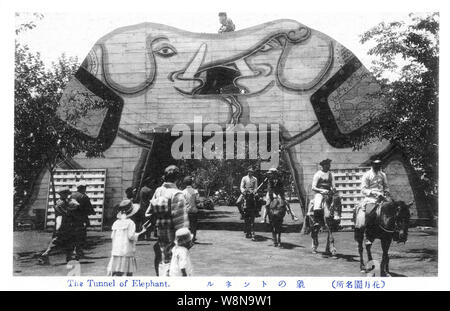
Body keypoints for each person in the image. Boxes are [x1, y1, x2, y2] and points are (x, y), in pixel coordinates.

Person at [145, 165, 189, 276]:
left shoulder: (158, 191)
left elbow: (148, 213)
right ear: (177, 178)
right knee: (174, 261)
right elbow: (181, 221)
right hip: (173, 233)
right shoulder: (178, 194)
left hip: (160, 232)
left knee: (162, 258)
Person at [39, 187, 85, 264]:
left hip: (67, 224)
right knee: (57, 241)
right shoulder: (61, 203)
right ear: (62, 194)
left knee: (70, 241)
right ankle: (45, 255)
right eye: (66, 194)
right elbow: (67, 212)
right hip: (63, 224)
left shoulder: (64, 201)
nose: (67, 195)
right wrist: (74, 206)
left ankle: (69, 257)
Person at [107, 199, 146, 276]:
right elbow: (131, 236)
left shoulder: (116, 223)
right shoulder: (130, 223)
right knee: (128, 271)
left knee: (116, 271)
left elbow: (112, 236)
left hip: (116, 250)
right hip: (126, 251)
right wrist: (140, 233)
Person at [309, 159, 341, 253]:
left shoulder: (331, 174)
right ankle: (317, 221)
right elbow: (313, 187)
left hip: (329, 193)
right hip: (320, 193)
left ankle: (337, 216)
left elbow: (333, 185)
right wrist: (322, 191)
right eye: (327, 165)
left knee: (337, 199)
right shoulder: (318, 174)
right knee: (318, 205)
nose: (328, 166)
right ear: (323, 166)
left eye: (329, 165)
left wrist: (333, 190)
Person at [357, 159, 391, 244]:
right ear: (372, 165)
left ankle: (393, 232)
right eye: (376, 164)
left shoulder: (382, 174)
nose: (378, 166)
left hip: (382, 197)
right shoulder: (367, 175)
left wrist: (386, 192)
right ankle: (367, 235)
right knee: (369, 213)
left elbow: (386, 186)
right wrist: (374, 193)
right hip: (371, 198)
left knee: (393, 209)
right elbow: (363, 189)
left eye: (379, 164)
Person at [71, 180, 95, 254]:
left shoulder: (72, 195)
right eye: (85, 187)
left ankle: (76, 250)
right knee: (81, 235)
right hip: (81, 218)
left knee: (74, 234)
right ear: (83, 188)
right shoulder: (84, 196)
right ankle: (78, 250)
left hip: (72, 218)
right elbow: (89, 209)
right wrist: (92, 212)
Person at [182, 176, 200, 242]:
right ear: (192, 183)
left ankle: (186, 238)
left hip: (185, 211)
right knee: (193, 226)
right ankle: (193, 238)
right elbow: (197, 201)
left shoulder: (182, 192)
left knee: (186, 226)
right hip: (194, 211)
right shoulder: (195, 191)